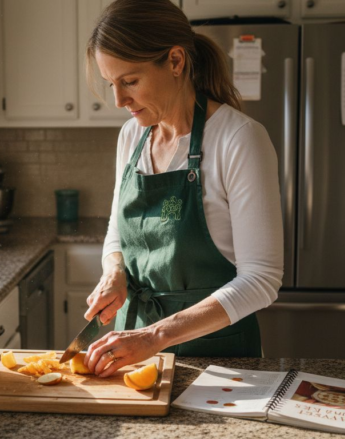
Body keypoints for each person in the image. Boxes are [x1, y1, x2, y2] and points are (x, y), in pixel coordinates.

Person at [82, 0, 284, 377]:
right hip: (136, 348)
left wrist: (156, 335)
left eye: (130, 81)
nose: (118, 101)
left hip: (217, 359)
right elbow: (117, 234)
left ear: (175, 62)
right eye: (111, 84)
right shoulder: (132, 135)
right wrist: (115, 272)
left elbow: (262, 280)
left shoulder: (239, 139)